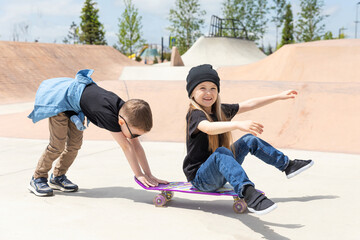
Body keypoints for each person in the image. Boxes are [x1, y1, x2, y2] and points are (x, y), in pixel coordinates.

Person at [183, 64, 314, 215]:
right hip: (201, 179)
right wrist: (237, 124)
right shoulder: (195, 114)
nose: (208, 93)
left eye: (213, 88)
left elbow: (249, 104)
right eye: (202, 88)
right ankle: (248, 193)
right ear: (192, 93)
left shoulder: (220, 110)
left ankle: (287, 165)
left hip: (219, 172)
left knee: (249, 140)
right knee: (220, 153)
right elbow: (206, 127)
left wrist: (278, 96)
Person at [27, 69, 166, 197]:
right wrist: (139, 175)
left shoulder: (128, 112)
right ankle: (38, 177)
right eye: (135, 134)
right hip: (61, 101)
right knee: (57, 145)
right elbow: (127, 147)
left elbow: (136, 146)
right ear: (122, 123)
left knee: (74, 145)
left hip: (76, 107)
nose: (135, 138)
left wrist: (149, 174)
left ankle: (57, 177)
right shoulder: (109, 117)